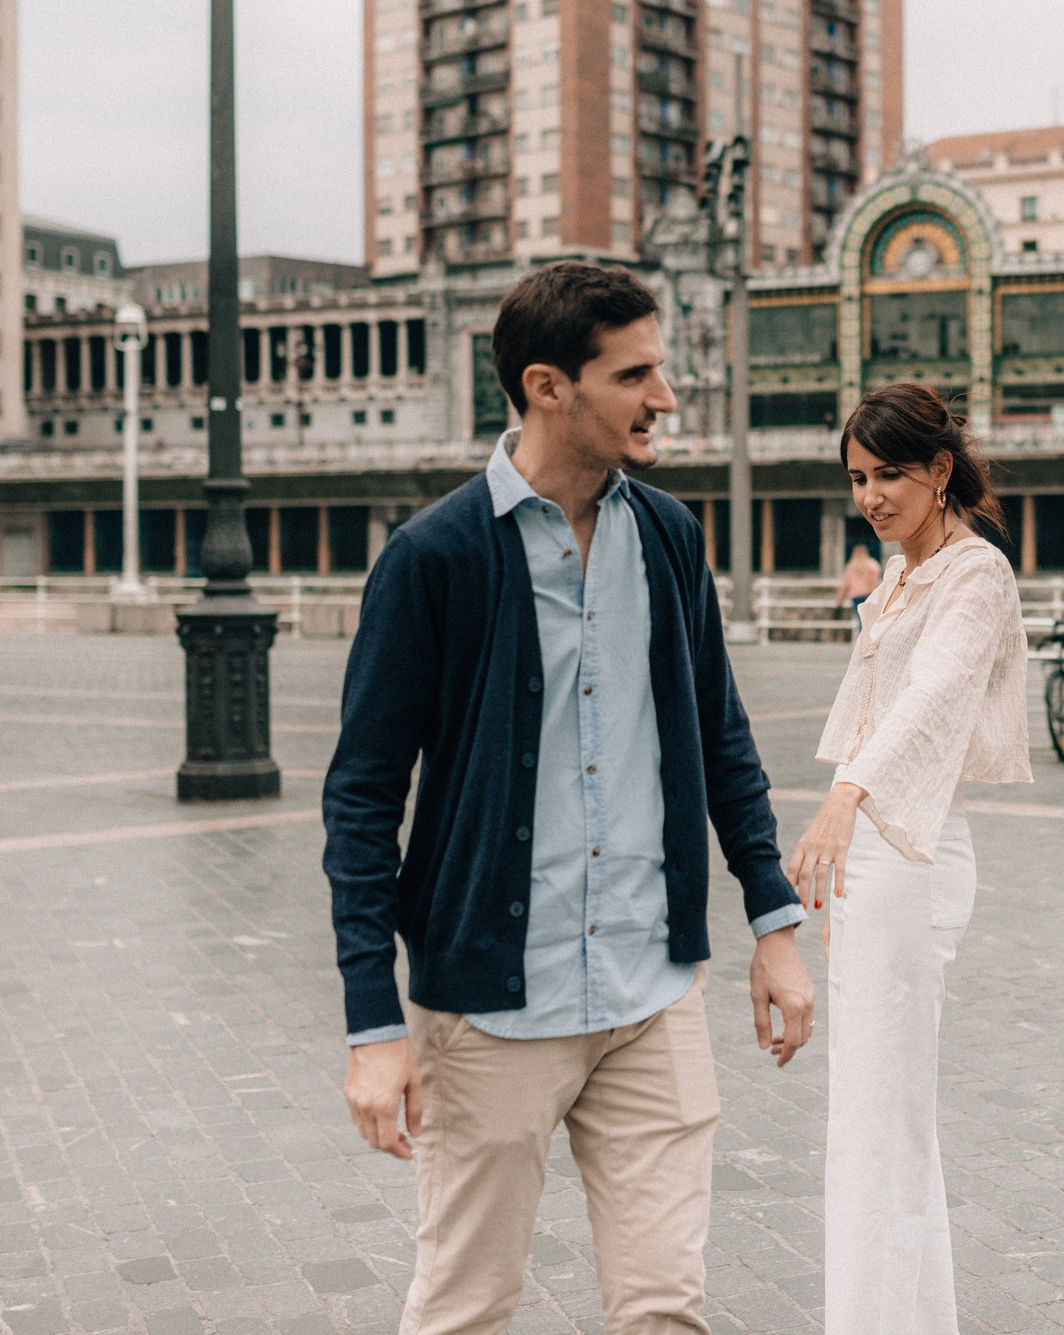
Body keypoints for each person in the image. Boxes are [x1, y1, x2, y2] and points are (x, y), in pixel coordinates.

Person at [323, 261, 815, 1335]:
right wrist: (372, 1021)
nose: (665, 397)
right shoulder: (434, 558)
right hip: (494, 1009)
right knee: (466, 1309)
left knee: (663, 1312)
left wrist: (773, 924)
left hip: (651, 991)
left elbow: (719, 739)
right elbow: (361, 797)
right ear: (548, 387)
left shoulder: (671, 539)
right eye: (634, 374)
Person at [787, 382, 1033, 1334]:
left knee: (872, 1125)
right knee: (886, 1119)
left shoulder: (976, 575)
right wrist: (846, 800)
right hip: (873, 861)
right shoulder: (893, 579)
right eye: (857, 476)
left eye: (890, 472)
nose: (871, 495)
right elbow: (872, 709)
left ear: (940, 471)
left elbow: (935, 695)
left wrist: (846, 795)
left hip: (913, 851)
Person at [833, 541, 883, 617]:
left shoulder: (851, 566)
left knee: (860, 618)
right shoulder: (872, 564)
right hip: (869, 594)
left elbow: (846, 585)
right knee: (869, 618)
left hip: (856, 596)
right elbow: (875, 581)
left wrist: (839, 600)